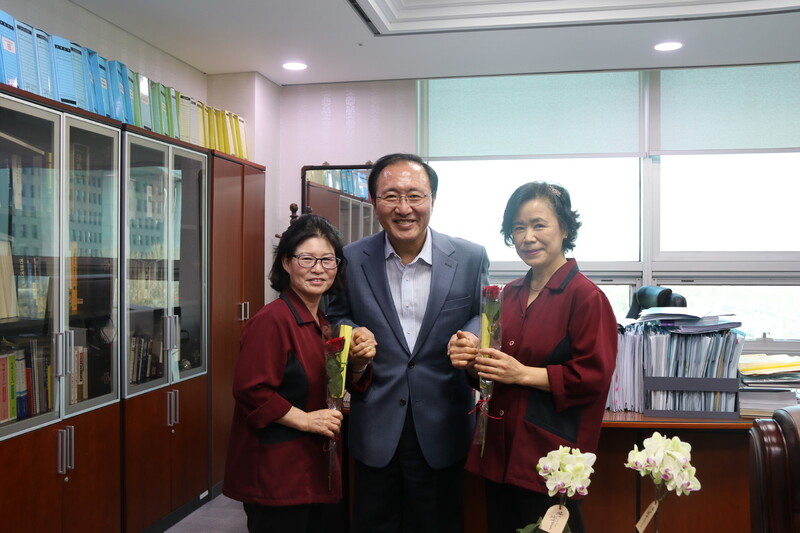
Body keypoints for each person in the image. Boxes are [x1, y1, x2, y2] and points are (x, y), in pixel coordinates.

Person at [326, 153, 489, 533]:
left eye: (415, 196)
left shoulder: (469, 256)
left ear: (433, 199)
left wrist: (473, 336)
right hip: (376, 422)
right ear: (373, 201)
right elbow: (334, 317)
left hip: (443, 421)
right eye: (391, 196)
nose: (404, 208)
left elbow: (485, 313)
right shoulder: (350, 259)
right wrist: (351, 334)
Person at [448, 182, 618, 533]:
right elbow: (492, 372)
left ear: (565, 228)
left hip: (549, 458)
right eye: (518, 227)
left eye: (539, 225)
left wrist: (522, 373)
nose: (528, 237)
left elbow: (593, 376)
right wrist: (470, 358)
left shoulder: (586, 297)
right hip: (498, 451)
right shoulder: (506, 294)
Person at [222, 214, 374, 533]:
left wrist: (358, 362)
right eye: (306, 258)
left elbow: (325, 384)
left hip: (311, 465)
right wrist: (306, 419)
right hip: (278, 473)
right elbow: (252, 391)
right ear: (287, 263)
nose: (318, 268)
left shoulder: (322, 320)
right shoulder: (272, 320)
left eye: (327, 259)